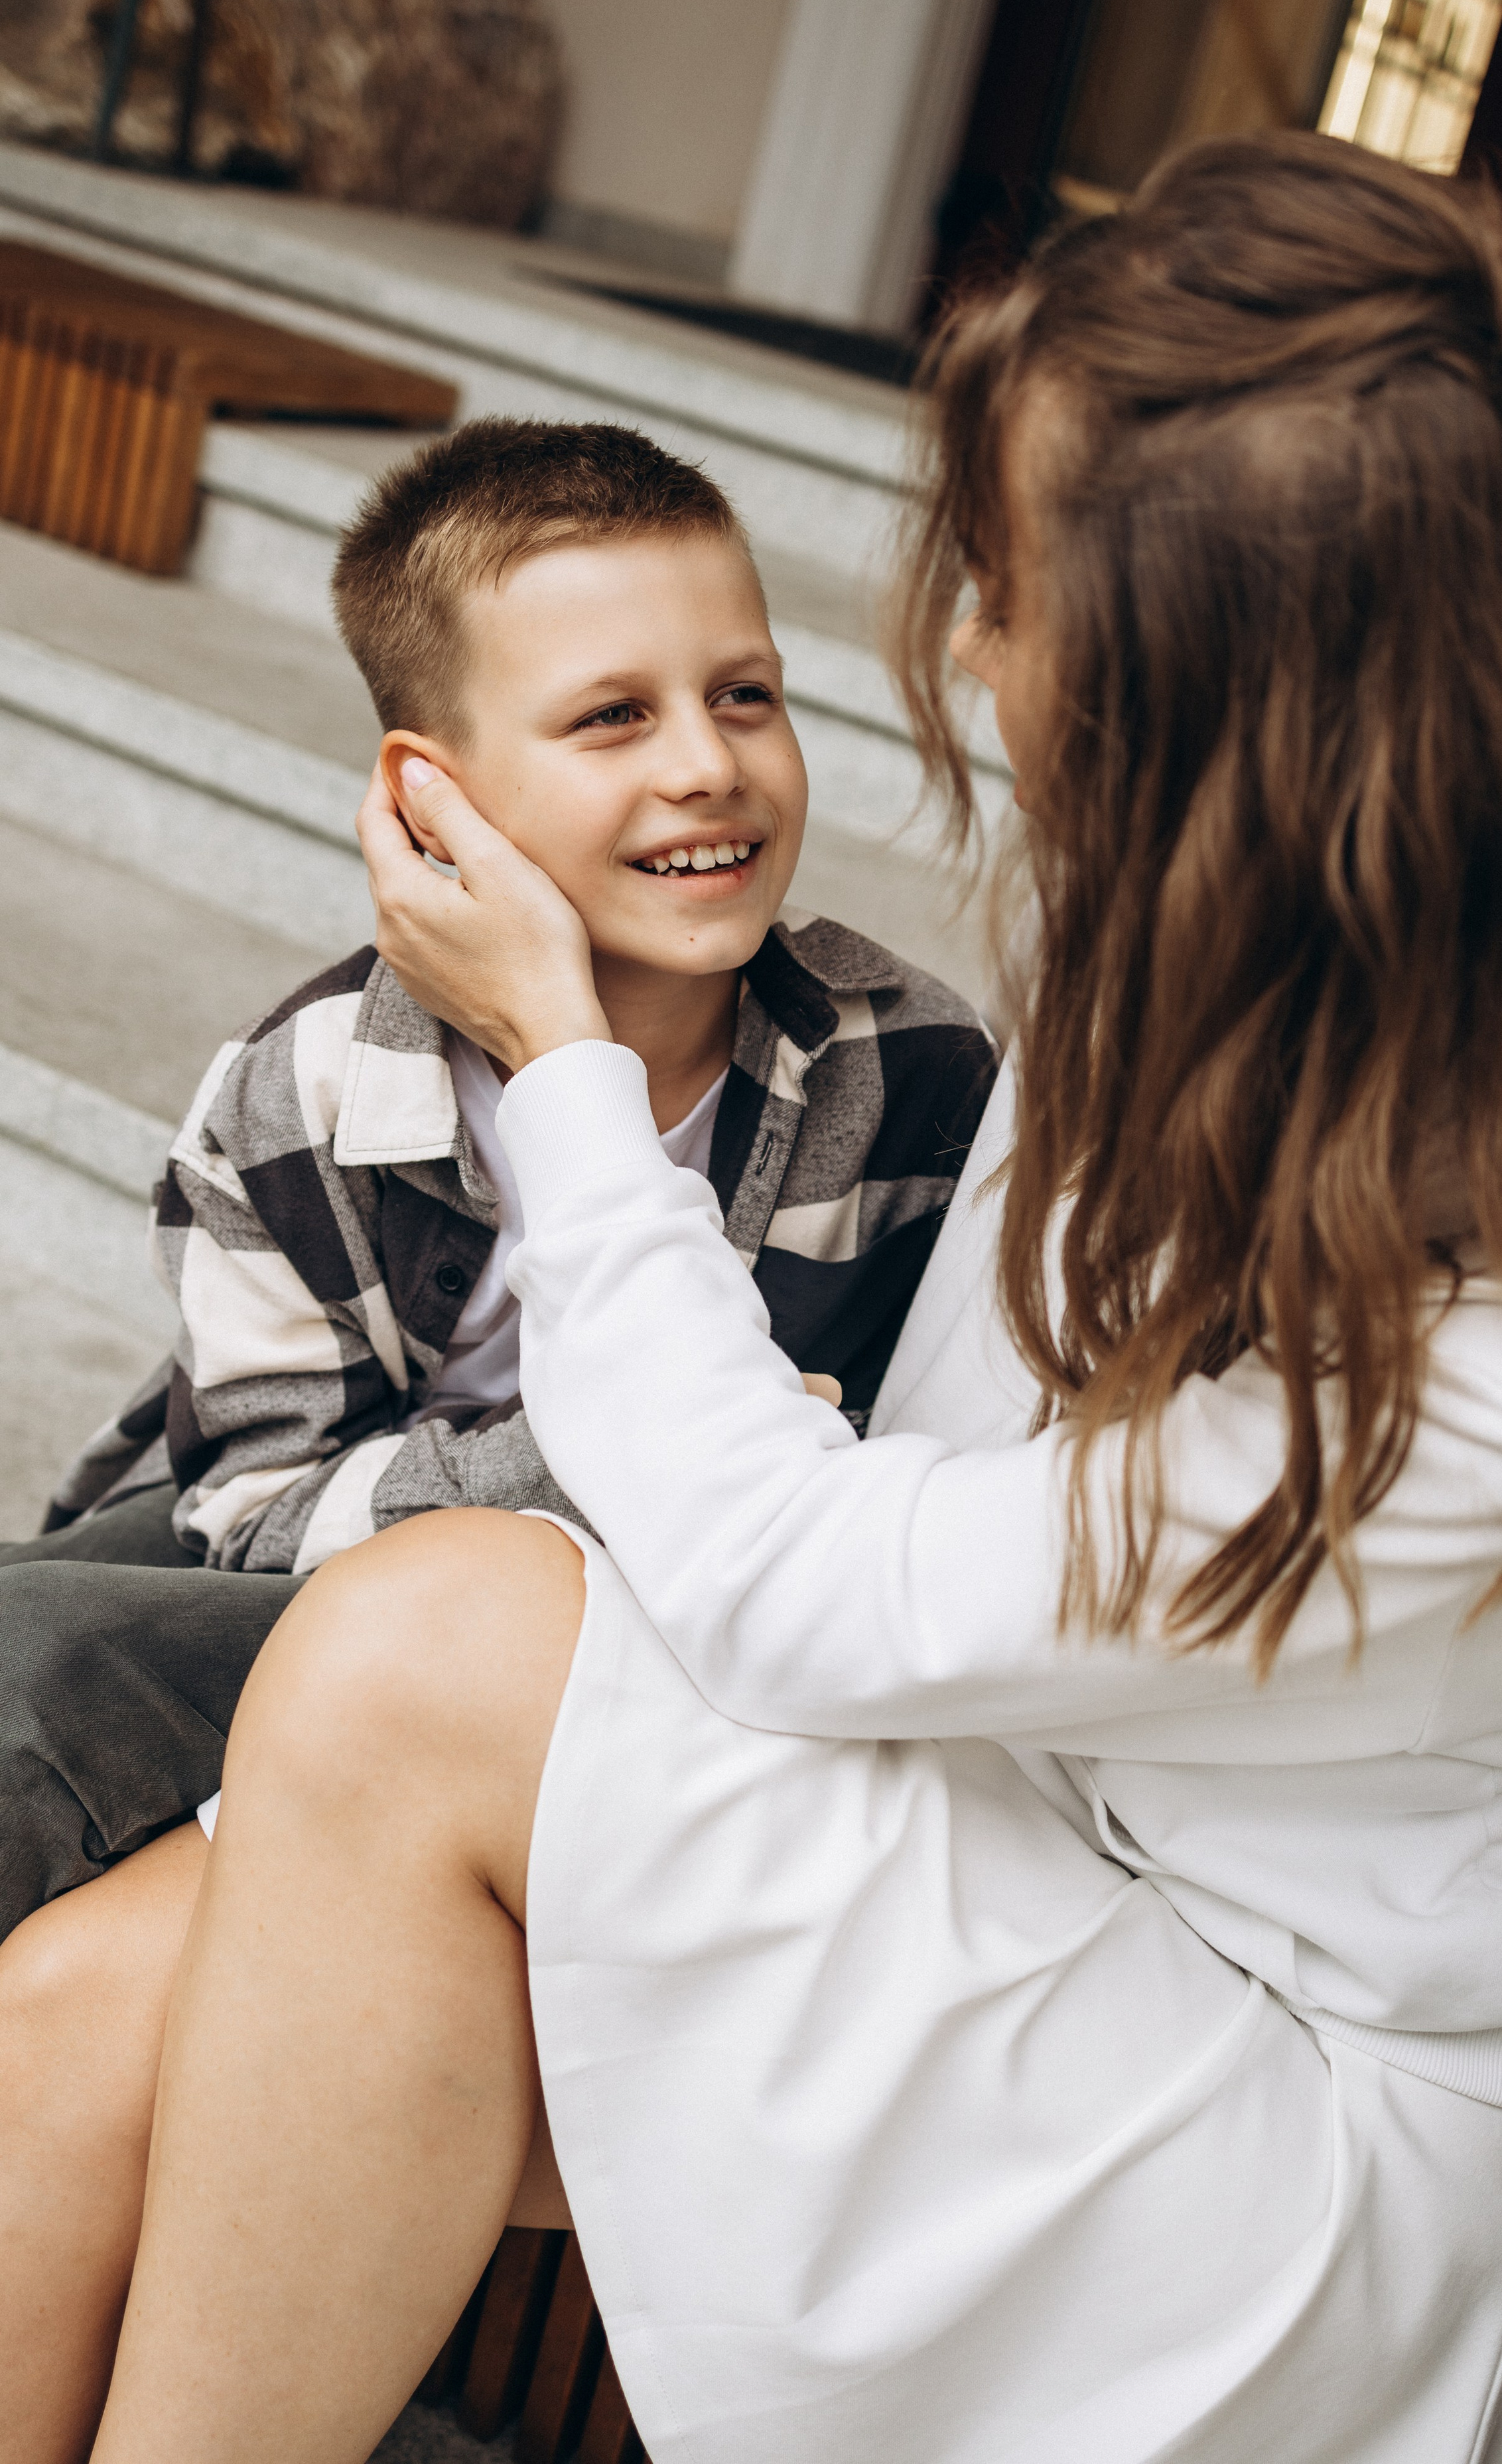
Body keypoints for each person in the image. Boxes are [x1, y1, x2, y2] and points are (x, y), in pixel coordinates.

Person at [9, 129, 1502, 2464]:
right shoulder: (1217, 962)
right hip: (990, 1885)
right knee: (91, 2005)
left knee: (433, 1645)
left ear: (1210, 679)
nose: (976, 657)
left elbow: (818, 1585)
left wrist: (569, 1070)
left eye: (1003, 590)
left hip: (1261, 2161)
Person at [0, 414, 994, 1945]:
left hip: (657, 1629)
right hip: (312, 1538)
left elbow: (887, 1486)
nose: (706, 767)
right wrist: (589, 1458)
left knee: (40, 1662)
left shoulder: (906, 1075)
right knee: (31, 1617)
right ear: (429, 801)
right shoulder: (298, 1093)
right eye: (612, 717)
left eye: (746, 696)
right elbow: (253, 1513)